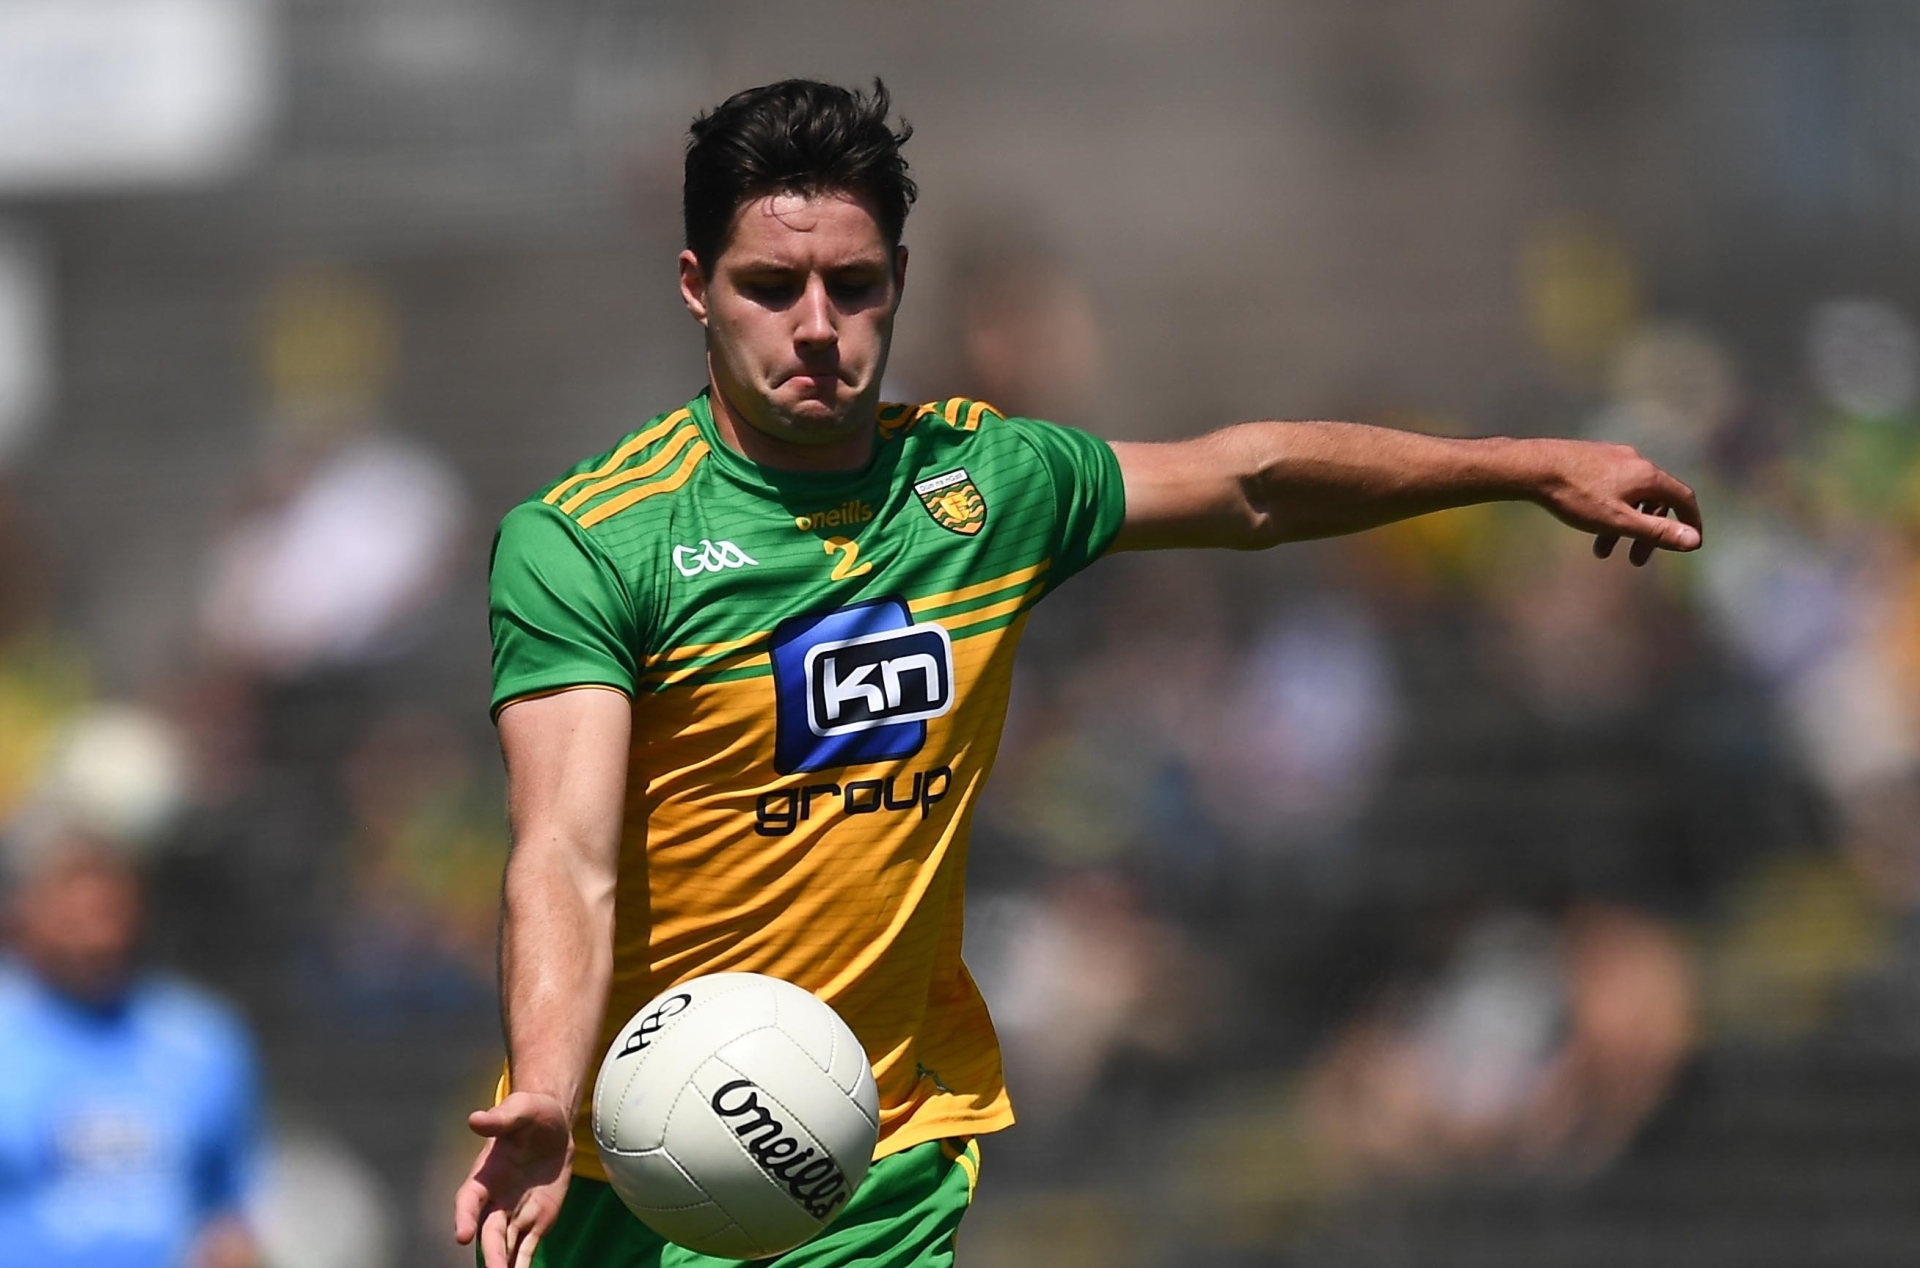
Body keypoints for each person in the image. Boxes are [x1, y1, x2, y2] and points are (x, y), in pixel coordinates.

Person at [453, 79, 1703, 1268]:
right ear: (696, 288)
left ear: (901, 282)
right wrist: (550, 1086)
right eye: (771, 286)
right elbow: (565, 851)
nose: (818, 325)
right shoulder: (593, 541)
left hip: (876, 1142)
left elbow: (1251, 484)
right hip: (622, 1152)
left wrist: (1524, 467)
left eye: (854, 284)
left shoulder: (986, 487)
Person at [0, 833, 263, 1268]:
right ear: (25, 916)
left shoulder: (202, 1039)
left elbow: (232, 1209)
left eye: (110, 916)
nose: (97, 941)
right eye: (72, 920)